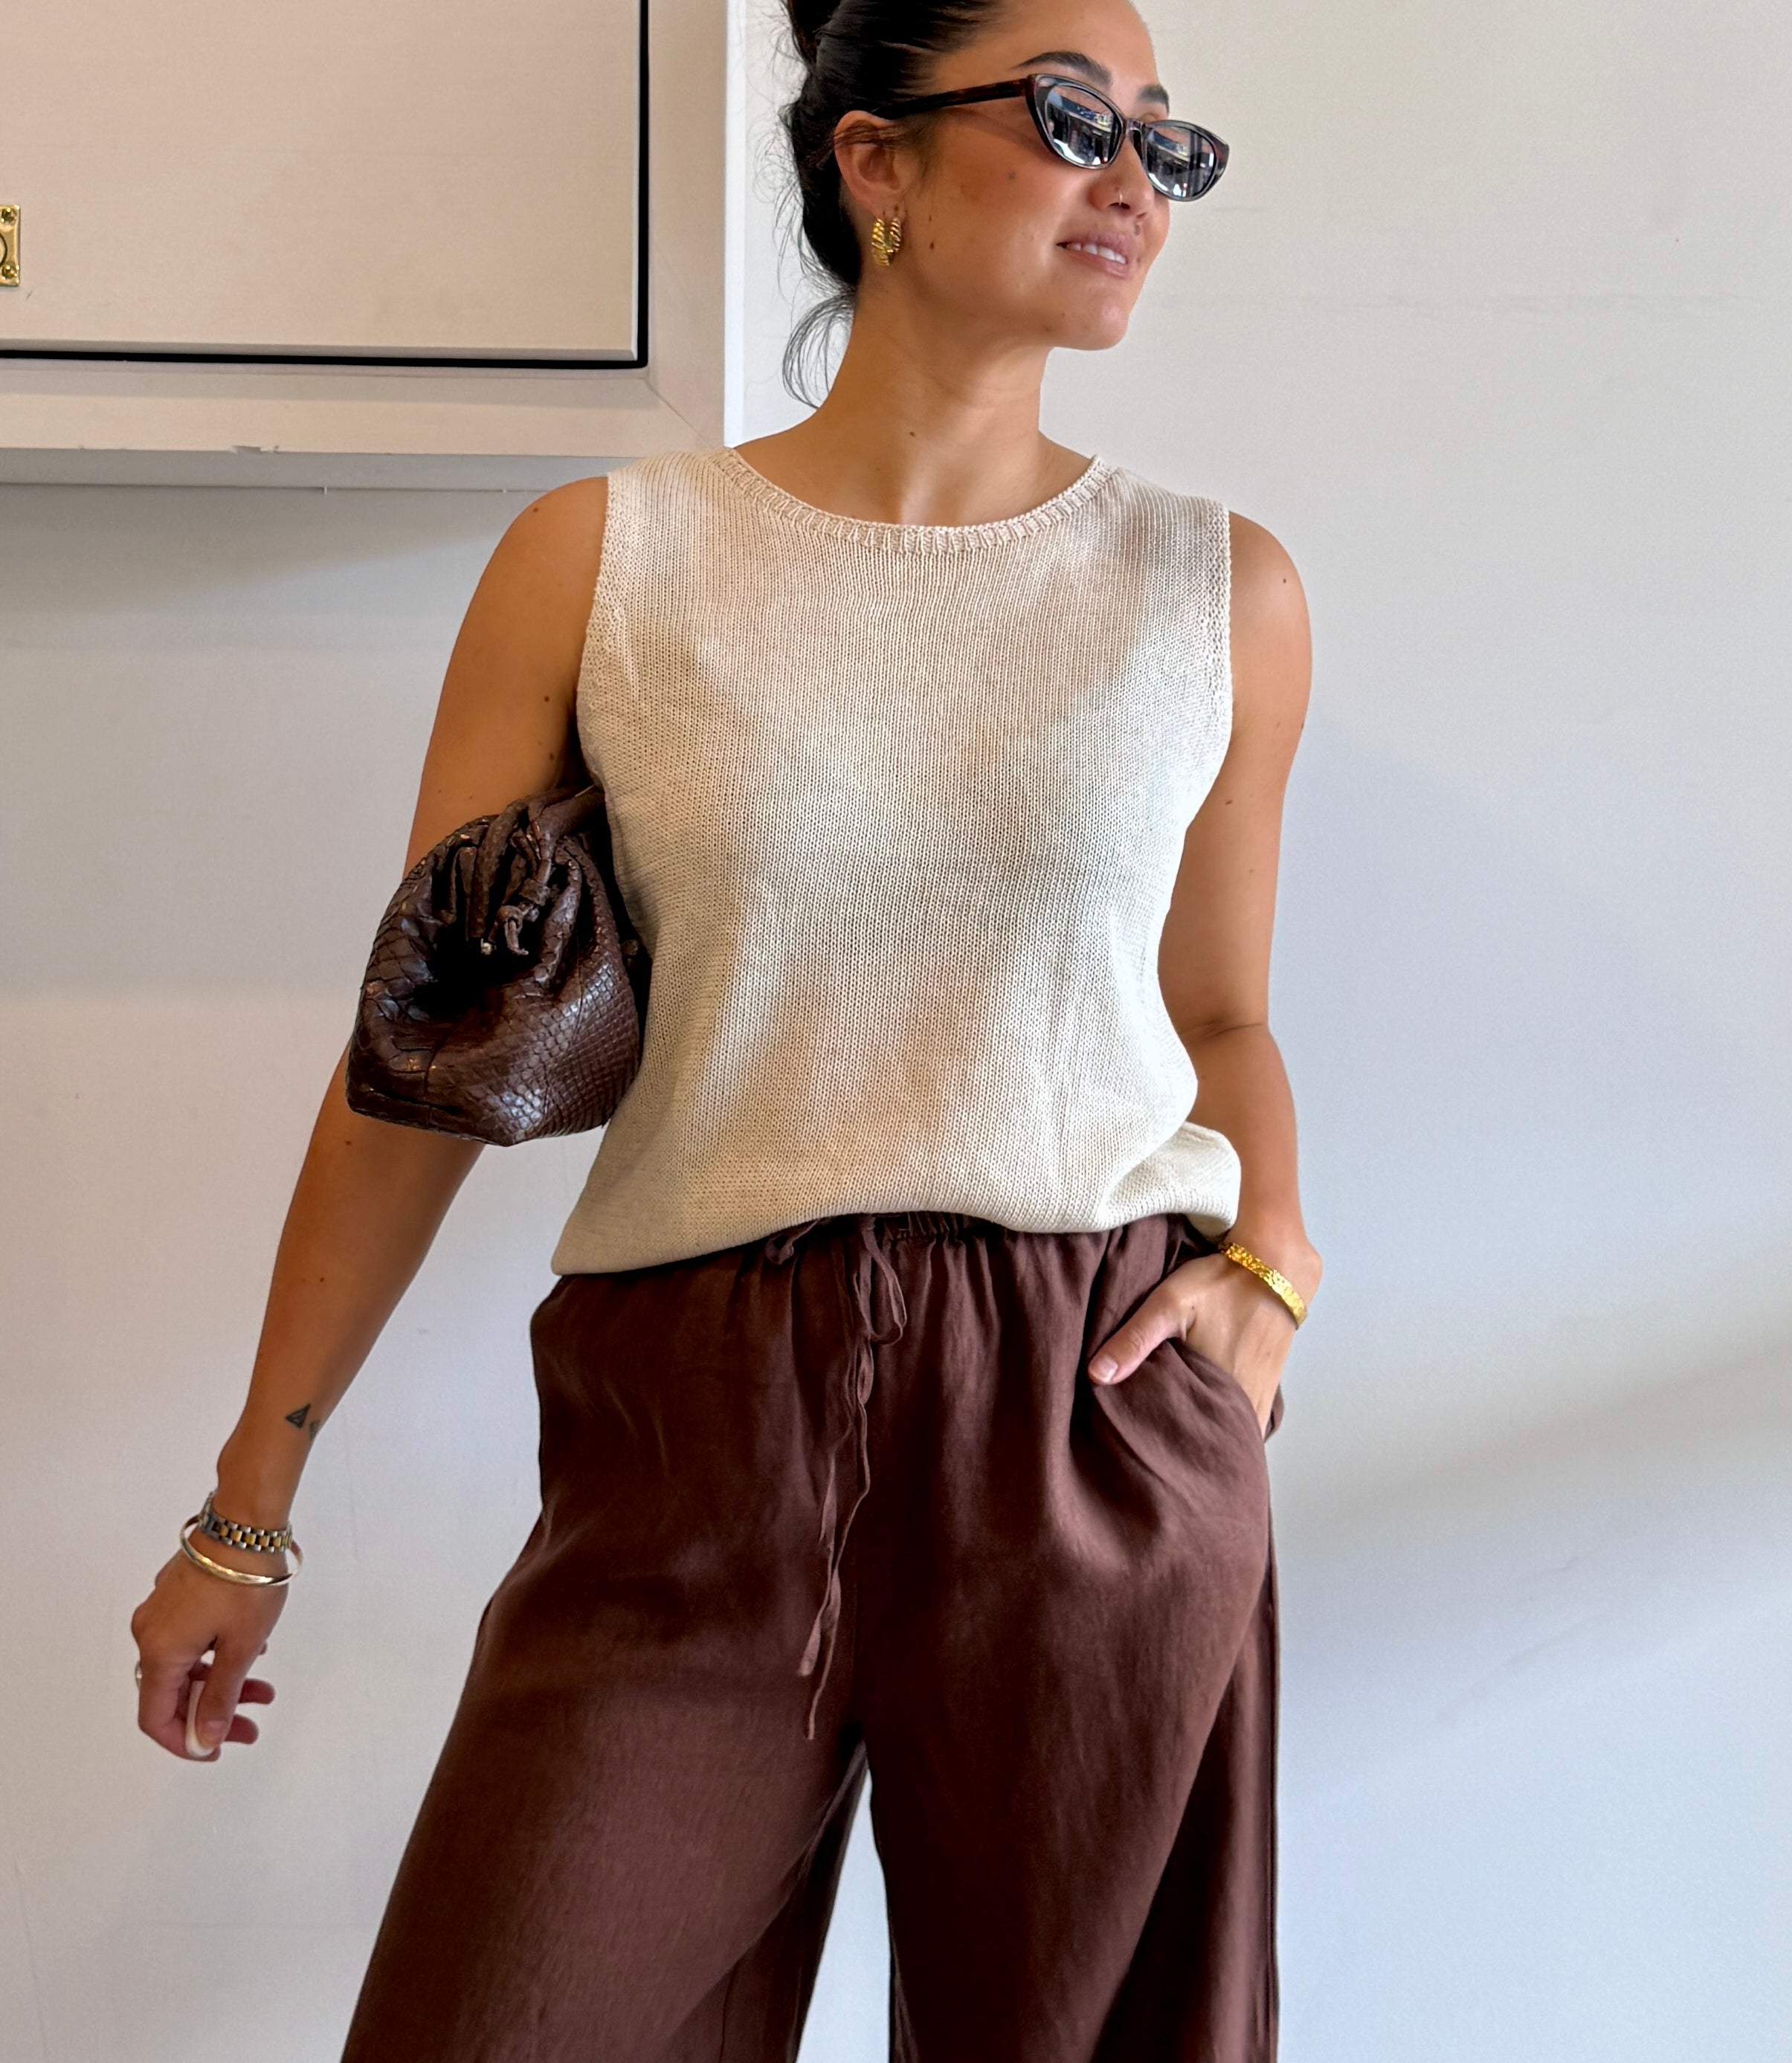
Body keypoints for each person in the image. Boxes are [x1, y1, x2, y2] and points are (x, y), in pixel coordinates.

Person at [129, 0, 1319, 2053]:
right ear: (871, 161)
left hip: (1087, 1411)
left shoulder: (1211, 587)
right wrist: (248, 1507)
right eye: (1065, 120)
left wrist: (1270, 1276)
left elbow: (1216, 1010)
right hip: (691, 1413)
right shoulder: (605, 564)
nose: (1131, 179)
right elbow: (422, 1064)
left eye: (1166, 143)